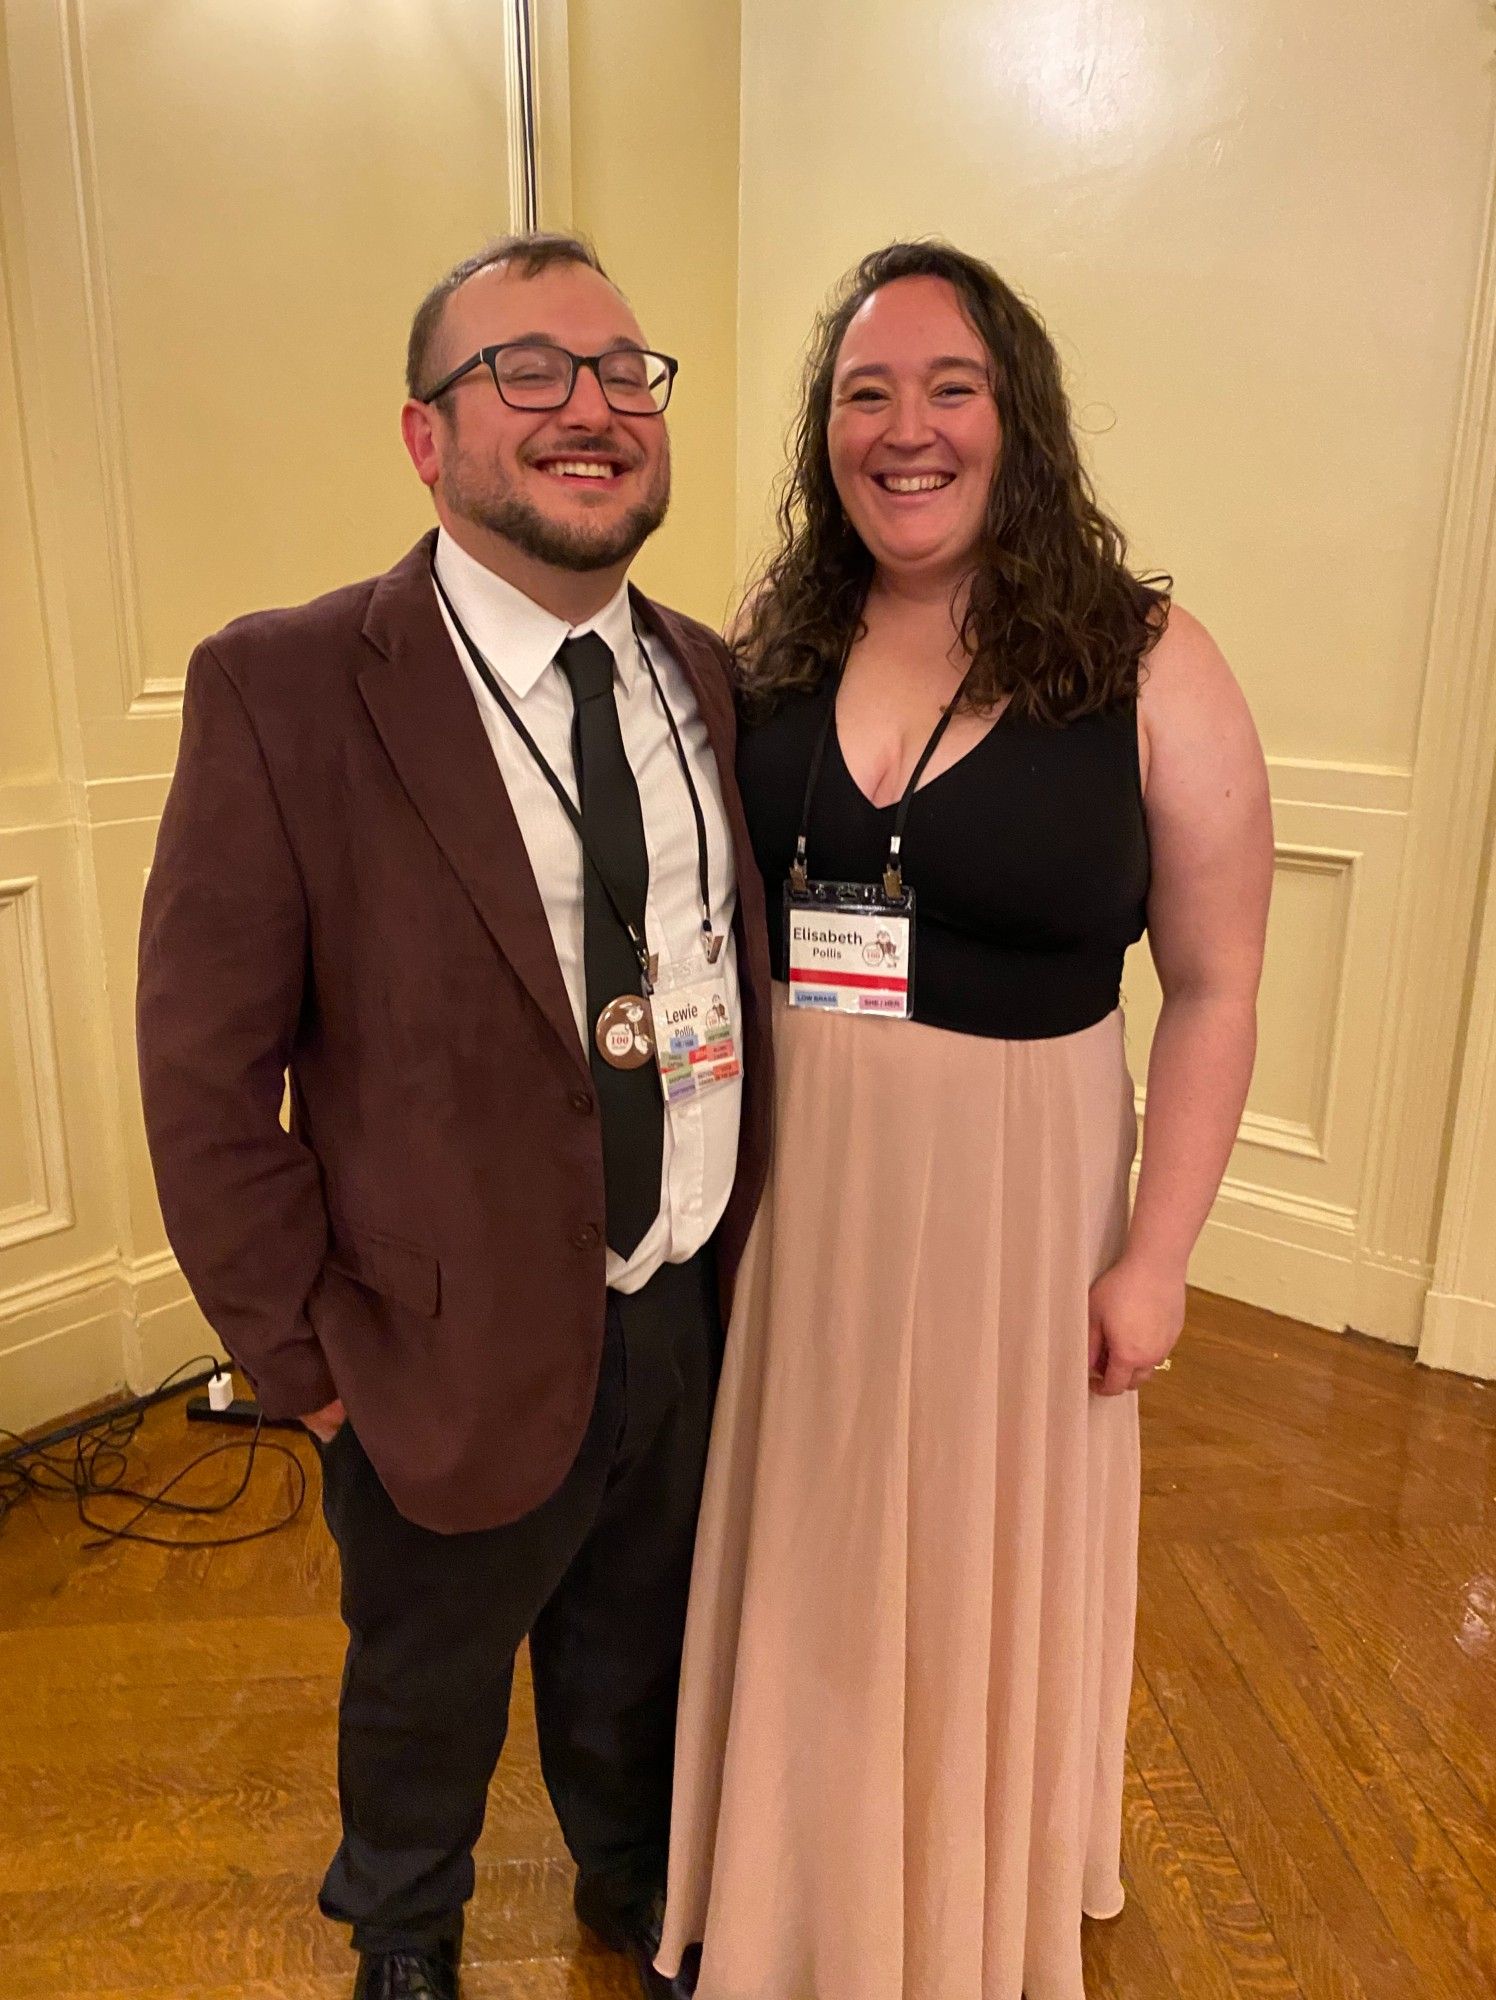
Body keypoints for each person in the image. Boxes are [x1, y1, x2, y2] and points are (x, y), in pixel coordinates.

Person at [136, 232, 772, 2000]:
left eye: (624, 370)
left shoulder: (705, 680)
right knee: (421, 1674)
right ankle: (404, 1929)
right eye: (528, 370)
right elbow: (203, 1074)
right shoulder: (283, 685)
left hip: (679, 1306)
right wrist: (305, 1360)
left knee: (633, 1644)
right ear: (427, 438)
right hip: (427, 1337)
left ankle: (630, 1880)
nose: (591, 406)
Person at [656, 241, 1273, 2000]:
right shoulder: (777, 642)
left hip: (1027, 1198)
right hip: (804, 1189)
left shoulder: (1149, 657)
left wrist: (1160, 1257)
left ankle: (948, 1914)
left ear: (1020, 420)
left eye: (949, 389)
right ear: (824, 430)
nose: (905, 430)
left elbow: (1217, 986)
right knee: (814, 1538)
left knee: (970, 1559)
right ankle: (785, 1887)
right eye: (866, 393)